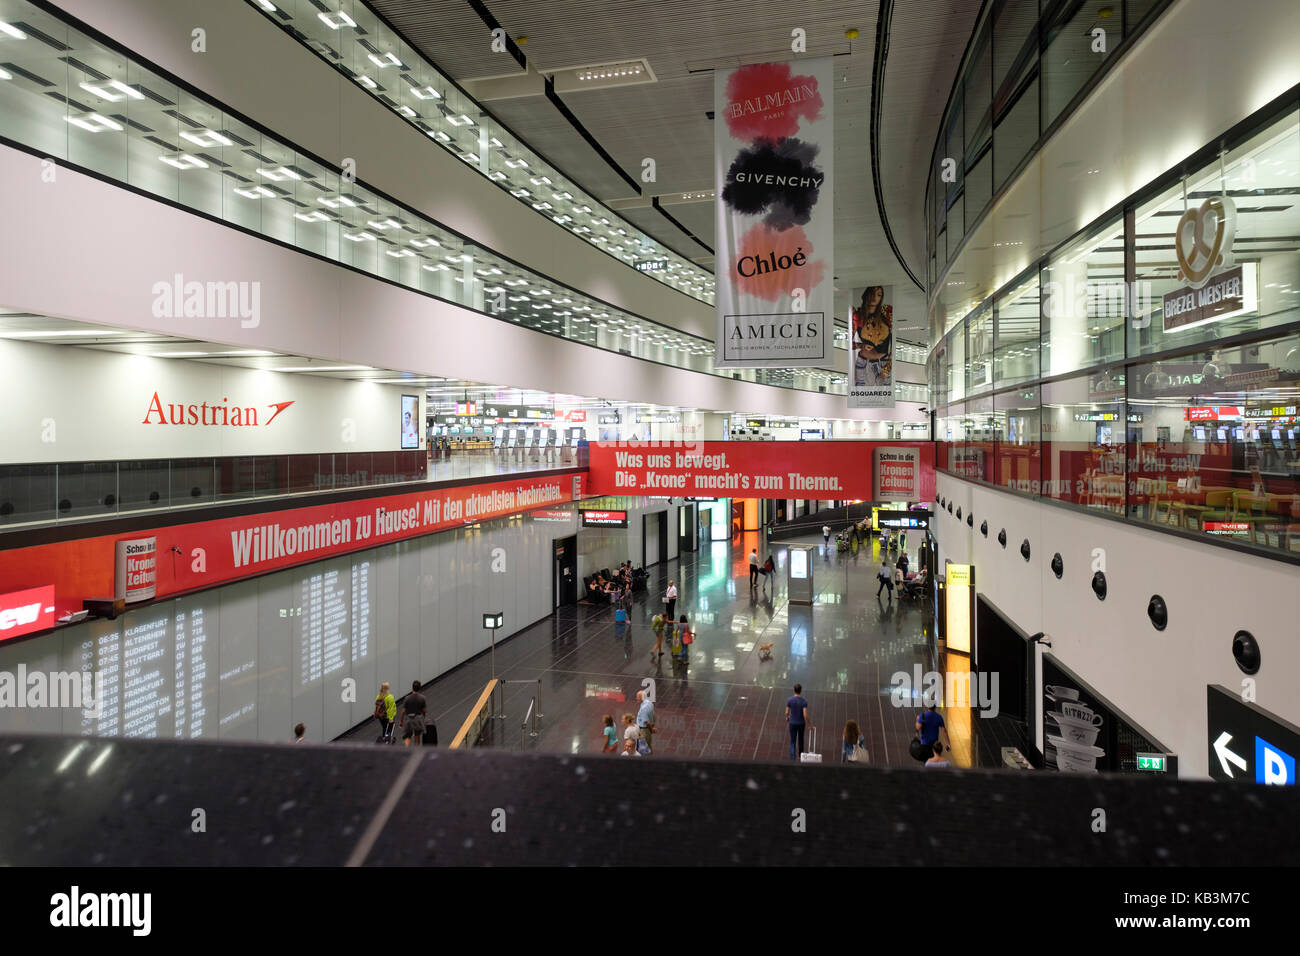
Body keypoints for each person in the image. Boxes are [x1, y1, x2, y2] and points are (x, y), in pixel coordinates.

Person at [398, 679, 427, 748]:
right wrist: (423, 719)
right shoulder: (422, 698)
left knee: (407, 736)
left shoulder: (407, 698)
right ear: (419, 688)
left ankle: (407, 750)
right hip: (418, 719)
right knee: (417, 736)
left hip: (408, 719)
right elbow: (424, 711)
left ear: (412, 687)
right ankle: (415, 752)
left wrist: (401, 721)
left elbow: (403, 711)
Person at [786, 683, 810, 761]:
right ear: (801, 691)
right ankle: (801, 757)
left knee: (793, 741)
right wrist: (810, 724)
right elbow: (805, 715)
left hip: (792, 723)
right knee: (801, 740)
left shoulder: (789, 700)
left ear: (794, 690)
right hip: (801, 724)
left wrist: (787, 718)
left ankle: (793, 758)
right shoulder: (804, 701)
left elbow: (786, 712)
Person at [636, 689, 656, 754]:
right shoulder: (650, 703)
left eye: (637, 697)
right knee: (649, 746)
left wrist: (652, 730)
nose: (636, 698)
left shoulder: (644, 708)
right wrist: (652, 727)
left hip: (644, 731)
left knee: (643, 750)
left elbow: (647, 722)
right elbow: (654, 716)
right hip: (647, 730)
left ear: (641, 697)